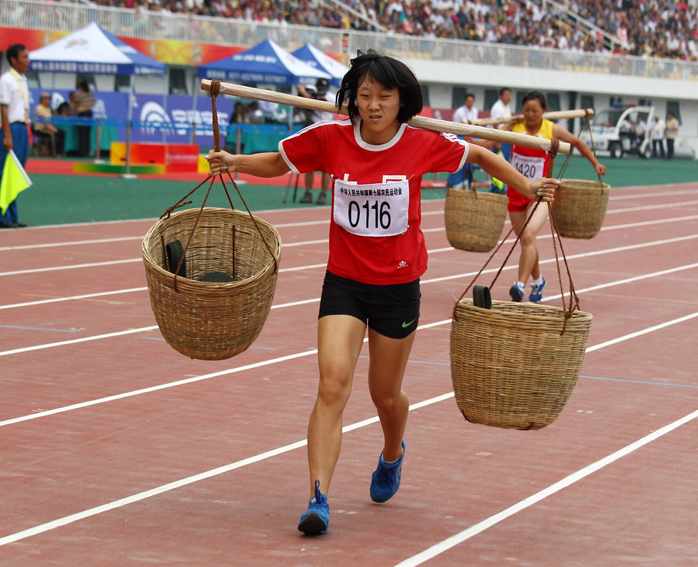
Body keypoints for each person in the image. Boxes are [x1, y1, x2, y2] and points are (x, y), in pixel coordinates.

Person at [207, 51, 557, 536]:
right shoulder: (330, 139)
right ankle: (318, 497)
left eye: (383, 97)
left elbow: (477, 154)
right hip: (345, 283)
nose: (372, 105)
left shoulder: (421, 143)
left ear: (401, 102)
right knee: (332, 385)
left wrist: (528, 184)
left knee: (384, 394)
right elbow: (279, 161)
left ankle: (393, 452)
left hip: (397, 287)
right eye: (364, 95)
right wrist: (235, 162)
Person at [470, 90, 605, 303]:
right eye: (526, 110)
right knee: (526, 242)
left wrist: (595, 163)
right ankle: (538, 280)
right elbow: (488, 144)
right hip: (516, 192)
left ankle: (520, 285)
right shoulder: (514, 126)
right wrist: (470, 136)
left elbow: (577, 143)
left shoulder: (552, 129)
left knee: (528, 236)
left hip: (541, 193)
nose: (530, 114)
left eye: (535, 110)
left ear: (544, 111)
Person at [0, 43, 31, 229]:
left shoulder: (23, 79)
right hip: (12, 129)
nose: (27, 60)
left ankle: (12, 215)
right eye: (24, 57)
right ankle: (0, 215)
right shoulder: (6, 80)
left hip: (23, 128)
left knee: (17, 173)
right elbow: (4, 110)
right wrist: (7, 136)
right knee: (5, 172)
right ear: (14, 59)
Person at [295, 77, 335, 204]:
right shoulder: (312, 92)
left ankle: (323, 194)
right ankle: (308, 192)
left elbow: (317, 101)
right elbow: (305, 104)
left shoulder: (331, 97)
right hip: (312, 133)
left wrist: (303, 92)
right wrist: (304, 93)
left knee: (326, 168)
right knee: (309, 166)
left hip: (327, 134)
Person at [487, 87, 513, 192]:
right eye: (506, 95)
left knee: (505, 163)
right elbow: (495, 124)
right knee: (498, 163)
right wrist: (497, 141)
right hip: (500, 139)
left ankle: (501, 187)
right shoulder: (497, 108)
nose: (508, 97)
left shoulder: (507, 107)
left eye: (509, 95)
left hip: (506, 139)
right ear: (501, 96)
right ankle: (496, 188)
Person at [32, 91, 65, 157]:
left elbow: (50, 120)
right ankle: (54, 153)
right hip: (39, 129)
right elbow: (44, 122)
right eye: (46, 99)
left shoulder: (48, 109)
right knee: (52, 134)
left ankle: (60, 152)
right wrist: (53, 129)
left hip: (47, 128)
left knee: (62, 132)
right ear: (42, 99)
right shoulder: (39, 108)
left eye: (48, 99)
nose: (48, 101)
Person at [74, 77, 95, 157]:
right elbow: (93, 103)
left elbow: (76, 105)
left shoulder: (79, 94)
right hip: (89, 113)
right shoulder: (91, 93)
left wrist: (75, 111)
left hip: (82, 114)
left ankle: (82, 152)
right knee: (87, 133)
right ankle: (87, 151)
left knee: (82, 133)